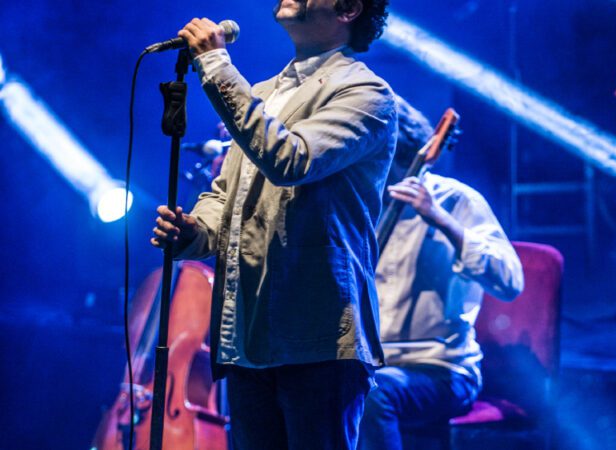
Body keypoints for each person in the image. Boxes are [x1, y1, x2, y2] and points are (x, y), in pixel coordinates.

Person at [150, 1, 396, 448]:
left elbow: (290, 160)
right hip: (249, 335)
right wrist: (194, 231)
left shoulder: (366, 93)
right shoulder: (262, 92)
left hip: (317, 337)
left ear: (349, 9)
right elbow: (227, 195)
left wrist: (216, 64)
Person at [357, 97, 524, 450]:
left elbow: (510, 282)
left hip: (441, 370)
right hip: (367, 365)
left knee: (372, 394)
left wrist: (442, 220)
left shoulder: (457, 201)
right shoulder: (359, 202)